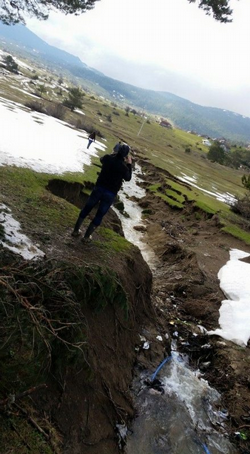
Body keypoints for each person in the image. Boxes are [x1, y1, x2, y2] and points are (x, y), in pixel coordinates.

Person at [72, 144, 132, 240]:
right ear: (125, 155)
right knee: (99, 214)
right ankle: (86, 237)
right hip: (110, 194)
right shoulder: (123, 168)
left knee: (87, 208)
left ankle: (75, 231)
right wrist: (129, 163)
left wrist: (113, 154)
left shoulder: (108, 158)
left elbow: (101, 159)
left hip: (99, 188)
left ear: (117, 151)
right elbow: (128, 178)